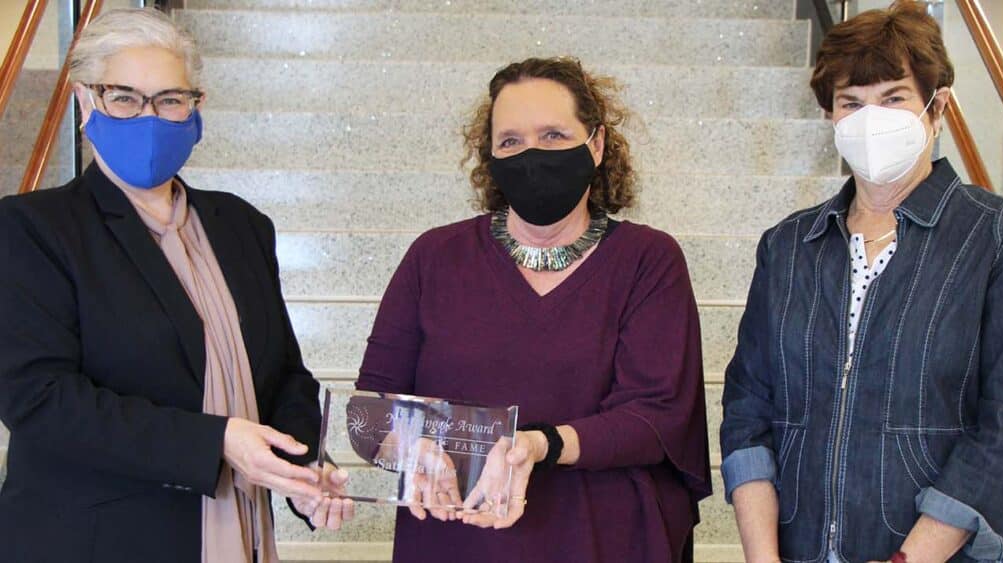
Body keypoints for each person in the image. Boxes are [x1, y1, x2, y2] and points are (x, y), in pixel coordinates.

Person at [0, 9, 351, 563]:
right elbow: (40, 401)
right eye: (124, 97)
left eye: (169, 99)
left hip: (238, 530)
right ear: (86, 101)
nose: (150, 117)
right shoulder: (32, 228)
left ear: (196, 108)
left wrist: (303, 468)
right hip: (99, 541)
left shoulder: (240, 225)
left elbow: (284, 375)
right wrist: (217, 443)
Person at [356, 56, 712, 563]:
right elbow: (373, 408)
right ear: (491, 156)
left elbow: (657, 416)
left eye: (552, 136)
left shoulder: (647, 260)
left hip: (601, 538)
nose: (531, 155)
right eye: (511, 141)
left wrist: (540, 445)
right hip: (457, 534)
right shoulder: (434, 258)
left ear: (597, 144)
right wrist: (411, 450)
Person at [720, 2, 1003, 561]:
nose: (870, 119)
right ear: (831, 117)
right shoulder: (788, 246)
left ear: (939, 107)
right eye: (851, 103)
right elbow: (748, 410)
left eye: (894, 98)